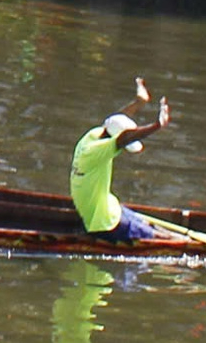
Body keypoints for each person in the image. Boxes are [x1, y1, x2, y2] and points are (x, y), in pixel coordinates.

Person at [69, 82, 172, 241]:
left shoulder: (94, 135)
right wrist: (156, 126)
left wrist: (138, 103)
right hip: (103, 223)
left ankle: (171, 237)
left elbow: (116, 120)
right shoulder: (97, 151)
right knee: (159, 238)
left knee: (149, 225)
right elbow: (124, 137)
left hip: (108, 207)